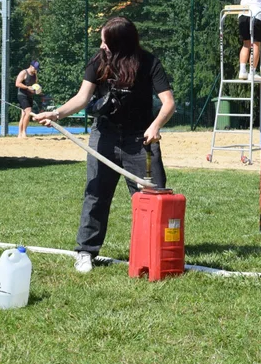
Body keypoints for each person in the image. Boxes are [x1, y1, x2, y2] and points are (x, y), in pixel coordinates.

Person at [34, 17, 175, 274]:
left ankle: (153, 251)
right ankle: (86, 251)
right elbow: (82, 98)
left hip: (139, 141)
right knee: (96, 194)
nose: (101, 45)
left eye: (105, 41)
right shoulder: (98, 61)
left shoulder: (149, 62)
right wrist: (55, 114)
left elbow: (168, 103)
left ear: (120, 43)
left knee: (153, 196)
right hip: (104, 138)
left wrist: (155, 126)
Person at [15, 60, 41, 139]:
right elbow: (17, 83)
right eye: (35, 68)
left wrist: (37, 90)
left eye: (37, 69)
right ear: (31, 66)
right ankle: (24, 132)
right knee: (28, 111)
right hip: (22, 95)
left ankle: (19, 134)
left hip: (29, 95)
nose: (36, 70)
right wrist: (27, 88)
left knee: (23, 114)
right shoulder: (24, 73)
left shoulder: (35, 74)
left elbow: (35, 85)